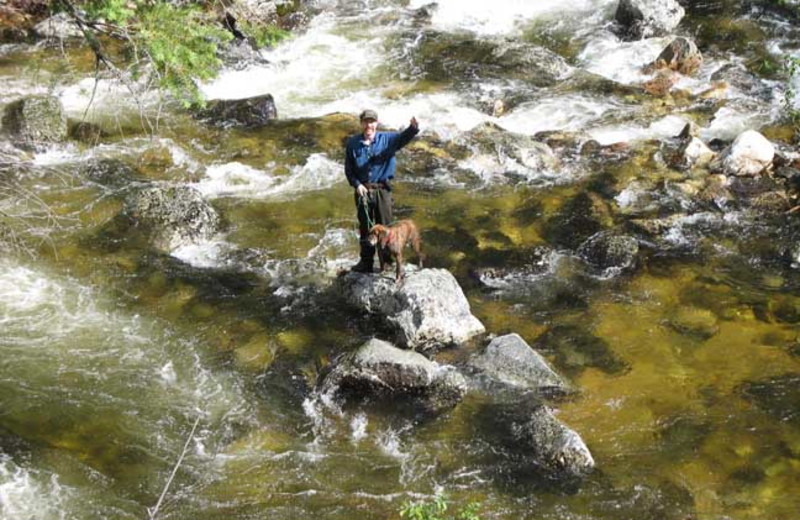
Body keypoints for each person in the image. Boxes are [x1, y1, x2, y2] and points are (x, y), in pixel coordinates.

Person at [345, 109, 419, 273]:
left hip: (382, 191)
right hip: (362, 191)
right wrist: (357, 184)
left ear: (376, 123)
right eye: (366, 122)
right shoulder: (352, 143)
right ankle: (366, 262)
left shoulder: (387, 139)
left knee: (386, 227)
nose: (369, 125)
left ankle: (387, 262)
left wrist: (413, 128)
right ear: (361, 124)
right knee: (365, 228)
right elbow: (349, 170)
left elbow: (403, 138)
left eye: (372, 122)